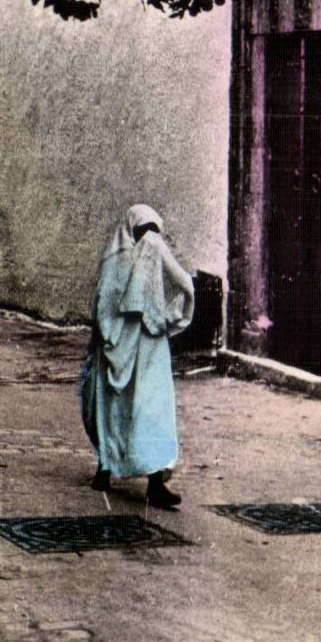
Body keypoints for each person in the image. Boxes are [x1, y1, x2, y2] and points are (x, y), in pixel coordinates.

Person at [80, 203, 195, 510]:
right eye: (147, 232)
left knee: (117, 409)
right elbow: (185, 286)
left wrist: (108, 336)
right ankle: (152, 481)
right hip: (148, 342)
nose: (149, 240)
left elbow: (102, 305)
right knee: (150, 408)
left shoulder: (115, 258)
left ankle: (107, 470)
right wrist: (170, 317)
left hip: (121, 345)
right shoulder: (151, 250)